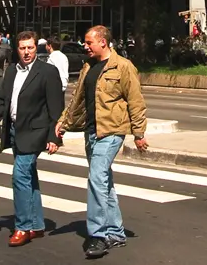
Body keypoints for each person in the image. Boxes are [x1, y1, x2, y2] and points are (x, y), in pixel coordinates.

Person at [56, 25, 148, 260]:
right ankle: (116, 232)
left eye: (88, 42)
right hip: (92, 132)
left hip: (113, 131)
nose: (85, 46)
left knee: (97, 178)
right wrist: (63, 122)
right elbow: (78, 100)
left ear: (103, 42)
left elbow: (135, 101)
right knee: (104, 183)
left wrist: (138, 134)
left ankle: (98, 235)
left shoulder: (123, 67)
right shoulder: (89, 66)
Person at [0, 31, 64, 248]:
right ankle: (37, 225)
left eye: (30, 47)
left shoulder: (47, 72)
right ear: (16, 49)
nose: (26, 52)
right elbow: (1, 100)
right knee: (29, 177)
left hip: (35, 133)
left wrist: (54, 137)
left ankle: (22, 226)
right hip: (15, 131)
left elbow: (56, 107)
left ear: (36, 47)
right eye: (22, 48)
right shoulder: (11, 71)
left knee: (19, 176)